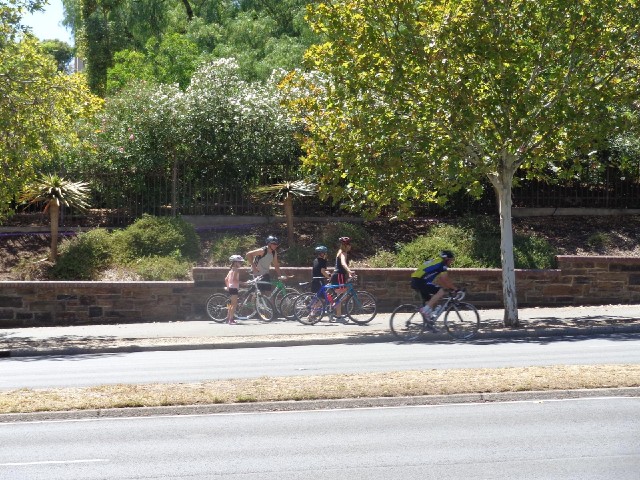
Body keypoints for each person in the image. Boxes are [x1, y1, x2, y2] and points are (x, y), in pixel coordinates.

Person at [410, 250, 457, 322]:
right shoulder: (442, 265)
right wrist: (455, 288)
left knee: (429, 302)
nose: (451, 262)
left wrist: (448, 287)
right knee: (441, 292)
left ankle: (429, 324)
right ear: (446, 259)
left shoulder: (437, 261)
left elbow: (441, 280)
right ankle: (424, 310)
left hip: (417, 280)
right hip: (420, 281)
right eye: (451, 260)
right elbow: (444, 279)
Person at [329, 236, 355, 319]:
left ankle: (333, 308)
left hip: (338, 275)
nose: (350, 246)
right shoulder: (343, 253)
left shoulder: (340, 251)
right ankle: (337, 314)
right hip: (339, 275)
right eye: (350, 244)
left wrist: (349, 273)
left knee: (340, 295)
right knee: (342, 296)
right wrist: (349, 271)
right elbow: (343, 264)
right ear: (346, 245)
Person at [224, 254, 244, 325]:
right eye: (240, 262)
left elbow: (226, 279)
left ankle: (228, 318)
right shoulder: (236, 270)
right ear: (235, 262)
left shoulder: (231, 270)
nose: (241, 263)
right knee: (234, 305)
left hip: (231, 288)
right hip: (234, 288)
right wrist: (243, 283)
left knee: (231, 304)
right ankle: (231, 320)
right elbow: (235, 280)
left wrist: (228, 287)